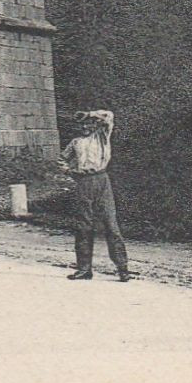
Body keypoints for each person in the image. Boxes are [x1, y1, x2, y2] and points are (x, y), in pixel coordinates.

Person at [58, 109, 130, 282]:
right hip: (83, 183)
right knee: (83, 226)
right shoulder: (75, 142)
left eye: (88, 123)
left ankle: (122, 268)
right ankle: (84, 269)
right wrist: (69, 171)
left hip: (101, 181)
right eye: (81, 124)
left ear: (94, 124)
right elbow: (61, 160)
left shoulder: (102, 135)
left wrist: (89, 114)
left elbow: (109, 116)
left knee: (111, 226)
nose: (85, 126)